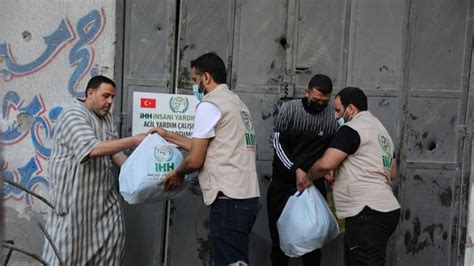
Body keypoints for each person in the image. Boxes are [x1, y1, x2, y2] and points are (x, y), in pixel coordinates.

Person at [151, 52, 260, 266]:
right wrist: (168, 135)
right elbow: (209, 146)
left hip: (228, 200)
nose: (194, 86)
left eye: (194, 80)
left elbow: (195, 159)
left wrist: (178, 173)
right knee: (236, 260)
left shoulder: (210, 104)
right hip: (245, 199)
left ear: (206, 78)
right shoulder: (236, 103)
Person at [42, 76, 147, 265]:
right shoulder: (73, 114)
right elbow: (92, 149)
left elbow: (117, 155)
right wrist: (133, 140)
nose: (109, 102)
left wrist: (144, 173)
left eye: (112, 98)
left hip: (103, 203)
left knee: (110, 250)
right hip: (74, 203)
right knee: (64, 256)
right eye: (105, 96)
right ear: (90, 93)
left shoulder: (106, 118)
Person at [302, 87, 401, 266]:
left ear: (351, 109)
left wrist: (308, 177)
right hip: (386, 210)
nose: (336, 116)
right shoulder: (381, 132)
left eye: (338, 110)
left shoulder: (351, 129)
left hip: (366, 212)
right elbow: (392, 172)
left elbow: (326, 163)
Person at [267, 74, 337, 266]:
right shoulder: (290, 110)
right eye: (316, 100)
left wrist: (331, 170)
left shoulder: (333, 116)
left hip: (314, 188)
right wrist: (295, 169)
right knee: (280, 244)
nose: (320, 105)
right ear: (307, 92)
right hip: (284, 186)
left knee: (313, 248)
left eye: (325, 101)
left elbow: (335, 150)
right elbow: (278, 144)